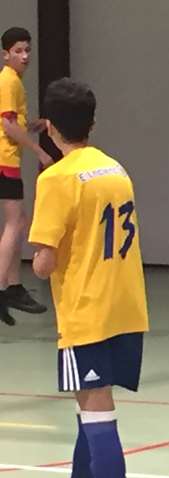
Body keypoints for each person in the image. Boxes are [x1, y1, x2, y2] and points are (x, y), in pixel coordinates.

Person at [29, 78, 149, 478]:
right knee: (90, 406)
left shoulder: (56, 178)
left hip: (87, 309)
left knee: (98, 411)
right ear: (92, 123)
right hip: (126, 306)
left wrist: (38, 259)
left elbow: (44, 263)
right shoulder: (115, 169)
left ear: (49, 126)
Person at [0, 27, 52, 325]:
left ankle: (13, 287)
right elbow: (7, 126)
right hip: (5, 160)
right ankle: (3, 288)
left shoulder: (13, 81)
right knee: (15, 222)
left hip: (8, 159)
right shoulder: (8, 81)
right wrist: (39, 151)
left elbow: (13, 121)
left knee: (18, 221)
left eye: (27, 50)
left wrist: (33, 124)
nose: (25, 56)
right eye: (18, 51)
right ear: (5, 54)